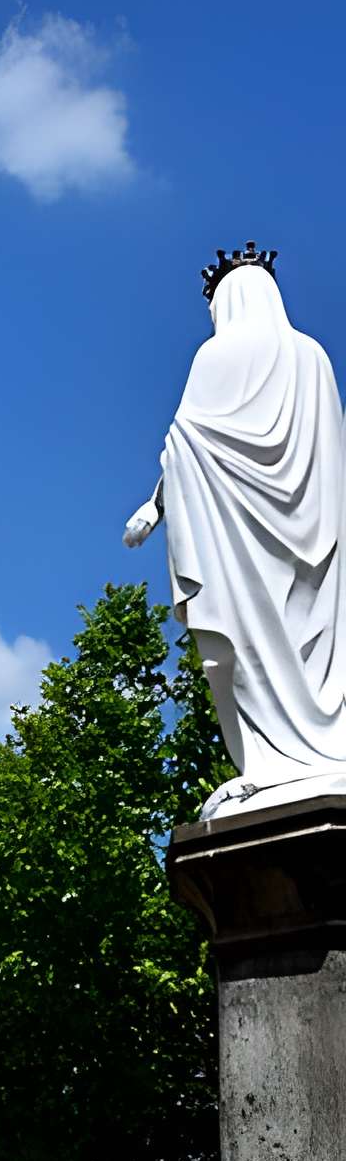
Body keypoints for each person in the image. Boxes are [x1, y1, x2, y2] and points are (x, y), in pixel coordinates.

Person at [125, 246, 346, 816]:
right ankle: (324, 750)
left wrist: (155, 507)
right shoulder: (314, 356)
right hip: (319, 542)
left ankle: (272, 765)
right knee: (320, 648)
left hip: (239, 546)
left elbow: (187, 443)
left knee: (240, 648)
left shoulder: (217, 354)